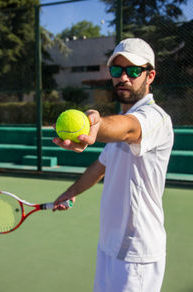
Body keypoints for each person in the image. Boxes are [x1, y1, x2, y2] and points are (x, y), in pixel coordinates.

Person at [52, 38, 174, 292]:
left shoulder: (156, 118)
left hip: (136, 256)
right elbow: (100, 165)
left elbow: (127, 130)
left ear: (150, 76)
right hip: (109, 246)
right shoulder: (125, 119)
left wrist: (94, 126)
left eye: (133, 70)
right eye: (117, 71)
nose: (124, 78)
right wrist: (70, 192)